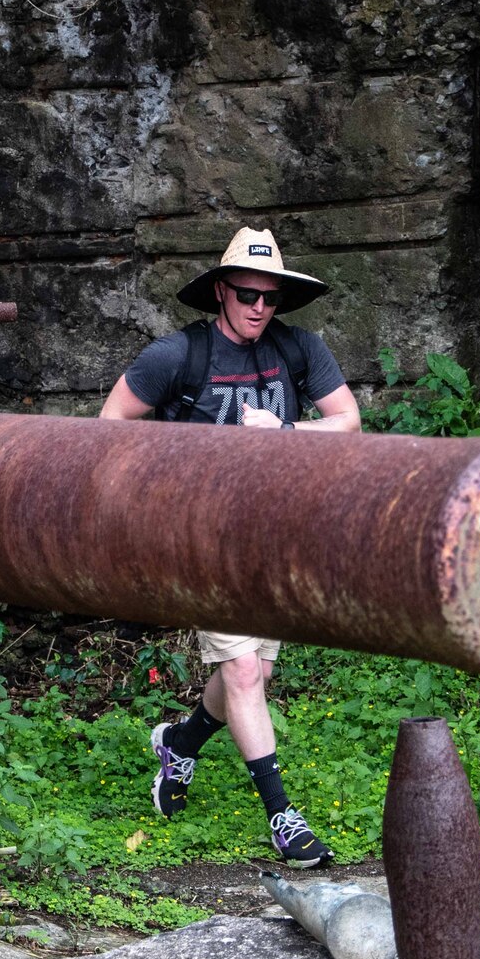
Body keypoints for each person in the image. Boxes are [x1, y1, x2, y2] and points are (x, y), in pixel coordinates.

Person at [99, 227, 362, 868]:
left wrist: (287, 432)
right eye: (246, 294)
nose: (258, 307)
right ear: (221, 291)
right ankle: (283, 819)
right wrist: (178, 478)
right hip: (201, 536)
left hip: (271, 533)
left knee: (255, 673)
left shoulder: (298, 350)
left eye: (270, 298)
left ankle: (181, 742)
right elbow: (109, 428)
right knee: (244, 671)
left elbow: (349, 421)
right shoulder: (177, 356)